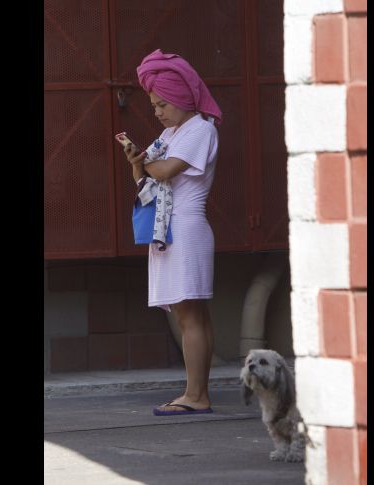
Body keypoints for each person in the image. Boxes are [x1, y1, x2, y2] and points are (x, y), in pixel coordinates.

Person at [124, 49, 222, 416]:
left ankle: (196, 396)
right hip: (171, 228)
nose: (158, 112)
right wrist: (138, 162)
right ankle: (195, 393)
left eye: (163, 103)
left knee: (190, 315)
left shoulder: (201, 128)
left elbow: (164, 172)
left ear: (182, 98)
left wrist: (144, 161)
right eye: (154, 105)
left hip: (186, 226)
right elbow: (145, 178)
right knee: (192, 314)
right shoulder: (171, 132)